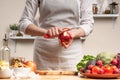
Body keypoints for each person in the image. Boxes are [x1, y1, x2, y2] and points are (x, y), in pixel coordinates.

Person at [19, 0, 94, 71]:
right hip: (43, 53)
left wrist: (72, 34)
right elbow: (23, 22)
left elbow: (88, 23)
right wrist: (46, 32)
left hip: (72, 54)